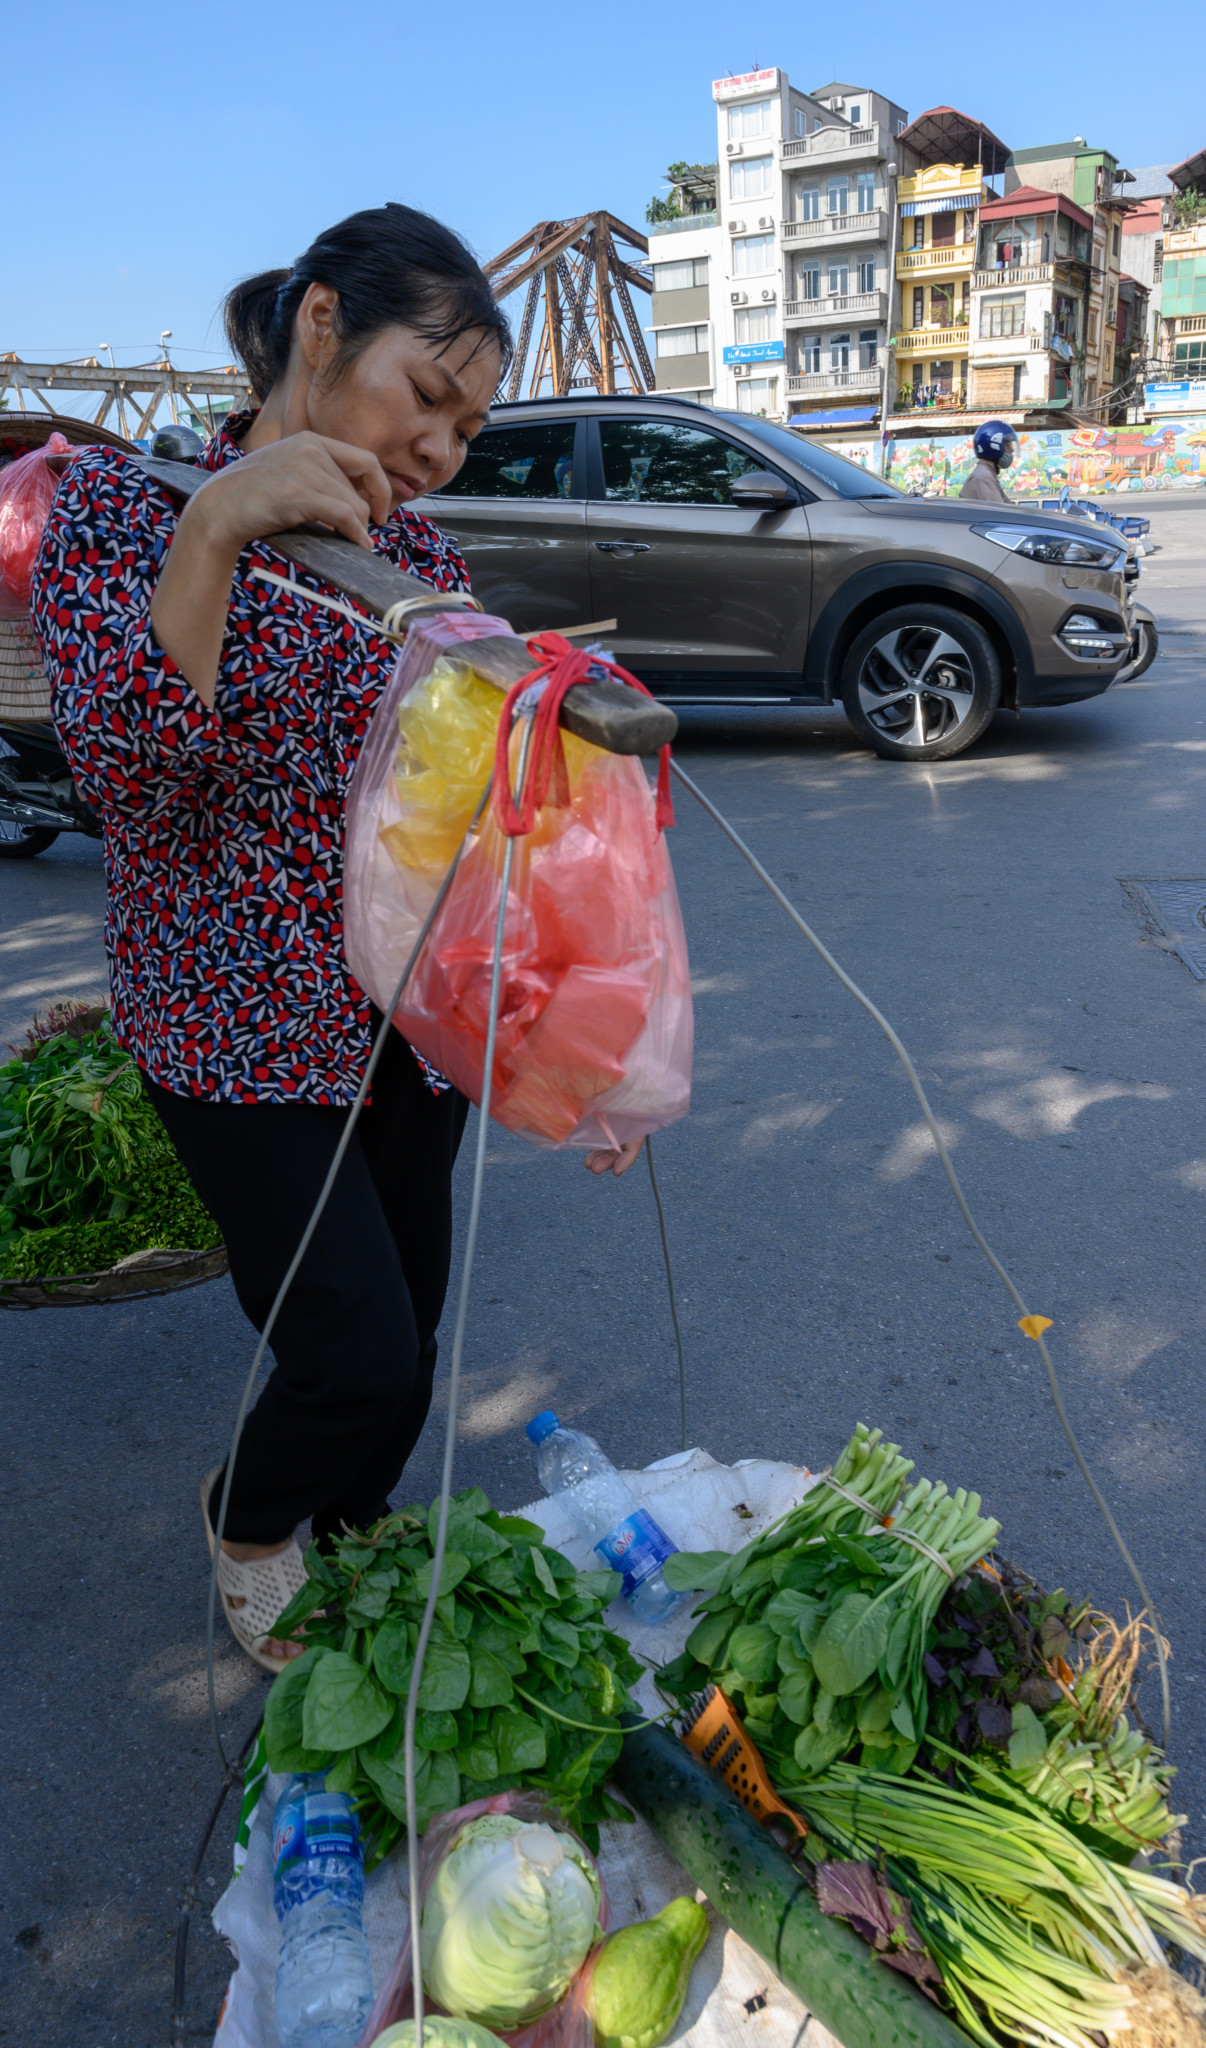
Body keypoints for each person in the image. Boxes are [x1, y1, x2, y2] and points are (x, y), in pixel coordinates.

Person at [31, 204, 643, 1673]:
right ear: (321, 324)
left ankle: (353, 1523)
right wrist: (222, 519)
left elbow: (471, 807)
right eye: (428, 397)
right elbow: (125, 770)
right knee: (347, 1348)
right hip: (232, 1025)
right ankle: (249, 1522)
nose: (440, 445)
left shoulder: (412, 546)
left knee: (412, 1337)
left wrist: (569, 1032)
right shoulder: (121, 509)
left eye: (467, 424)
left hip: (397, 1019)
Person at [959, 419, 1019, 504]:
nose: (1012, 450)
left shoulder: (986, 473)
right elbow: (1000, 512)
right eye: (1007, 446)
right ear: (994, 447)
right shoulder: (984, 477)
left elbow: (1007, 506)